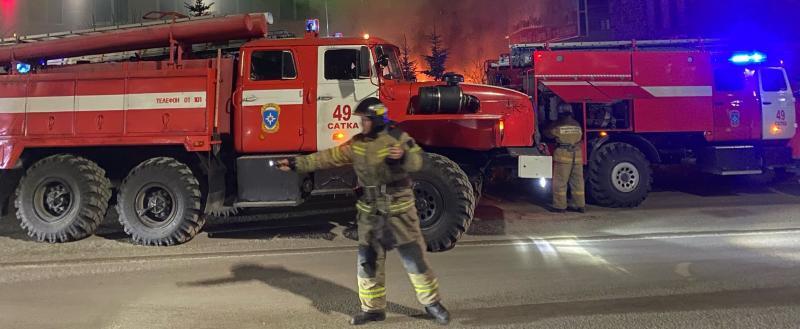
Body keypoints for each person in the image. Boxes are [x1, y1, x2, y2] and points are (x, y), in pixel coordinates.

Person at [275, 98, 451, 326]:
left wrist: (403, 156)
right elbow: (327, 157)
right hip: (370, 214)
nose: (361, 124)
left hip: (400, 213)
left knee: (414, 261)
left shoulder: (397, 138)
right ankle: (373, 310)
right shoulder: (357, 144)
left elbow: (418, 161)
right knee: (368, 263)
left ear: (377, 120)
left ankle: (432, 304)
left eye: (365, 120)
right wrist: (296, 164)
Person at [545, 103, 586, 213]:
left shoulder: (558, 125)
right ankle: (580, 205)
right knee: (577, 182)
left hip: (564, 156)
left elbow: (548, 134)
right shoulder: (577, 124)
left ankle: (559, 206)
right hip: (577, 155)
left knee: (560, 182)